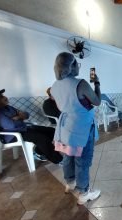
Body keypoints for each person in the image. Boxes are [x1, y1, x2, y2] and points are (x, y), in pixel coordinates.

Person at [51, 52, 101, 205]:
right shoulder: (81, 84)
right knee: (82, 159)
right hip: (81, 126)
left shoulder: (54, 85)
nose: (78, 67)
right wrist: (97, 84)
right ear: (71, 66)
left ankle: (70, 182)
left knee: (68, 155)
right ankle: (84, 192)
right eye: (77, 64)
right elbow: (97, 101)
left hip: (64, 126)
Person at [0, 89, 63, 163]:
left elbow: (26, 115)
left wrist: (18, 117)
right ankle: (58, 160)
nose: (4, 97)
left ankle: (39, 153)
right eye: (0, 97)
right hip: (12, 135)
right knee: (41, 138)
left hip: (23, 128)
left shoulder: (8, 107)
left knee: (52, 131)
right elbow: (12, 125)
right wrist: (20, 117)